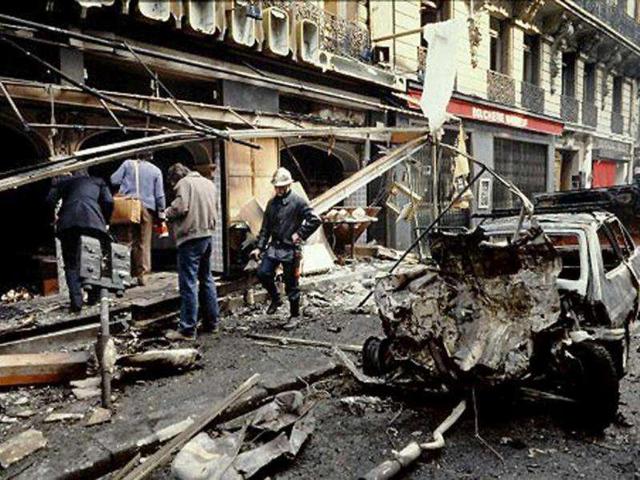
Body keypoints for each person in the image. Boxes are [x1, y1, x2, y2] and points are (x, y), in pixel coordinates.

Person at [250, 167, 321, 323]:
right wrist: (259, 247)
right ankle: (276, 298)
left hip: (291, 249)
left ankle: (294, 316)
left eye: (282, 187)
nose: (279, 190)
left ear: (289, 185)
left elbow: (315, 219)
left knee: (291, 285)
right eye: (277, 187)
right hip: (274, 247)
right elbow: (265, 228)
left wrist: (300, 234)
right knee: (263, 273)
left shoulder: (298, 202)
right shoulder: (271, 204)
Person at [164, 163, 220, 341]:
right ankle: (212, 323)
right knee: (206, 279)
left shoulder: (184, 184)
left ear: (175, 178)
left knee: (188, 283)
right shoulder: (209, 183)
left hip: (190, 237)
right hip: (207, 235)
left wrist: (165, 213)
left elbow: (180, 208)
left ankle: (187, 329)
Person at [47, 170, 113, 313]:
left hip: (68, 224)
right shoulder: (98, 181)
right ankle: (93, 297)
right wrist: (106, 220)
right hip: (93, 223)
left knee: (71, 263)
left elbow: (49, 200)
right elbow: (108, 201)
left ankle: (76, 302)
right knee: (93, 259)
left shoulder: (63, 182)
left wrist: (52, 219)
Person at [110, 153, 166, 286]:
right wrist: (162, 213)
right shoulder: (156, 170)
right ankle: (142, 275)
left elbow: (114, 180)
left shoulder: (127, 164)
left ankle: (123, 275)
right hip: (147, 209)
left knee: (126, 241)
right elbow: (159, 195)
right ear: (150, 156)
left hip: (128, 205)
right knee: (143, 242)